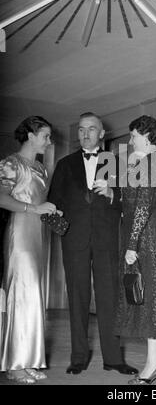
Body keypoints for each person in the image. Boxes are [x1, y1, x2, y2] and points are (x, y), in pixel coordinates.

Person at [48, 112, 137, 376]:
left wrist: (113, 194)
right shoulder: (65, 164)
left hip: (108, 240)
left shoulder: (116, 163)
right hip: (74, 241)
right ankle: (78, 357)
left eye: (91, 129)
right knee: (77, 298)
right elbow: (53, 204)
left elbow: (131, 203)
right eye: (82, 130)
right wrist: (62, 232)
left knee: (110, 299)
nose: (86, 133)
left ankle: (113, 358)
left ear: (102, 134)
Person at [114, 115, 156, 385]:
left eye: (133, 136)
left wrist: (131, 245)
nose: (130, 141)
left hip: (150, 242)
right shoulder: (155, 163)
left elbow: (142, 208)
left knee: (152, 302)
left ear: (147, 135)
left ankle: (152, 367)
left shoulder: (151, 163)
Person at [0, 116, 59, 384]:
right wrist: (34, 209)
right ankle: (14, 364)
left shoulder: (41, 168)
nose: (48, 141)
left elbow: (41, 201)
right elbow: (1, 197)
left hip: (37, 234)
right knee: (20, 294)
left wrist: (51, 213)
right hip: (19, 234)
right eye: (45, 136)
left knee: (33, 294)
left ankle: (27, 360)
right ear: (31, 135)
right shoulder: (11, 163)